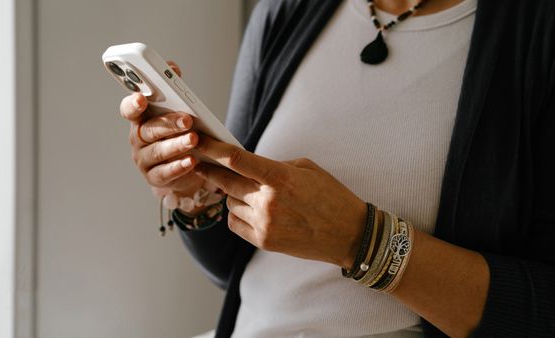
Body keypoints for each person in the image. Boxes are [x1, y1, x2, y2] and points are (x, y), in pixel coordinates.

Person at [118, 0, 555, 337]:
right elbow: (231, 269)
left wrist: (358, 240)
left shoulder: (534, 31)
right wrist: (200, 193)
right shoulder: (286, 11)